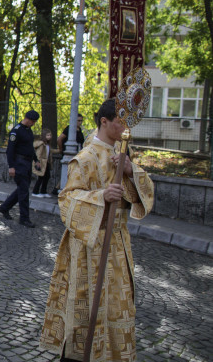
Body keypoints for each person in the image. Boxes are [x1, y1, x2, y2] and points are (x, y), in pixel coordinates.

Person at [39, 98, 155, 362]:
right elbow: (67, 201)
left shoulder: (125, 154)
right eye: (121, 121)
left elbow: (144, 194)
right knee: (87, 311)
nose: (127, 128)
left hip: (117, 246)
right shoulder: (86, 157)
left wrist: (130, 171)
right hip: (89, 249)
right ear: (104, 121)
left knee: (117, 308)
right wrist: (101, 196)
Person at [0, 110, 40, 228]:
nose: (34, 124)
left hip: (27, 163)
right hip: (19, 163)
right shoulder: (16, 131)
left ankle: (4, 207)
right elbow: (10, 150)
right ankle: (24, 218)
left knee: (22, 189)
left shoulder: (28, 130)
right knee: (24, 192)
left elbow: (30, 147)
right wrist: (11, 166)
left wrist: (36, 160)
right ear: (29, 120)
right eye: (33, 122)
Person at [32, 128, 56, 198]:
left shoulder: (47, 145)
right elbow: (38, 154)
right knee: (41, 177)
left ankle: (43, 191)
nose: (49, 137)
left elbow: (50, 152)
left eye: (50, 135)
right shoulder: (42, 144)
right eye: (47, 135)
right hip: (42, 163)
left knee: (47, 176)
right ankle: (35, 191)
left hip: (47, 163)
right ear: (44, 136)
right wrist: (38, 162)